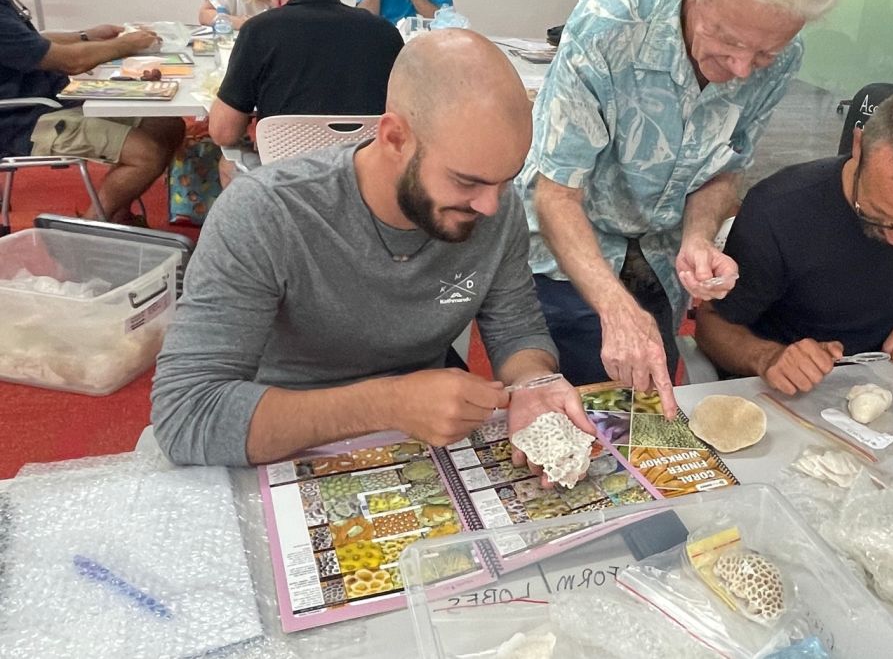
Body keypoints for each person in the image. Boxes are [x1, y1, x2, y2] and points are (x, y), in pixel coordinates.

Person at [152, 30, 591, 469]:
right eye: (466, 181)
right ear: (395, 138)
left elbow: (516, 331)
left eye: (506, 178)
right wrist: (388, 404)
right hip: (280, 440)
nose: (491, 204)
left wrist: (535, 381)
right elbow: (186, 413)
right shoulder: (265, 213)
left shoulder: (495, 207)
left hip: (423, 442)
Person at [513, 0, 845, 415]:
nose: (741, 69)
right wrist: (615, 309)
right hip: (562, 254)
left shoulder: (781, 59)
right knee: (575, 417)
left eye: (764, 53)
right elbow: (556, 194)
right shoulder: (613, 20)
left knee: (653, 420)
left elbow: (725, 170)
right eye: (727, 39)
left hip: (658, 262)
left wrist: (697, 238)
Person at [694, 88, 893, 395]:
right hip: (793, 387)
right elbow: (713, 325)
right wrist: (767, 358)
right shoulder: (781, 209)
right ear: (858, 146)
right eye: (877, 213)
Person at [0, 0, 184, 223]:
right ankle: (89, 232)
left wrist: (88, 36)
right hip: (24, 122)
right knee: (147, 154)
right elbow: (68, 62)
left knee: (168, 124)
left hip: (52, 102)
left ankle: (116, 215)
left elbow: (35, 42)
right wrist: (123, 44)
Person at [208, 0, 404, 151]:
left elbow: (223, 132)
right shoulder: (385, 32)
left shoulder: (259, 30)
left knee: (228, 164)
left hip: (286, 171)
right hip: (365, 170)